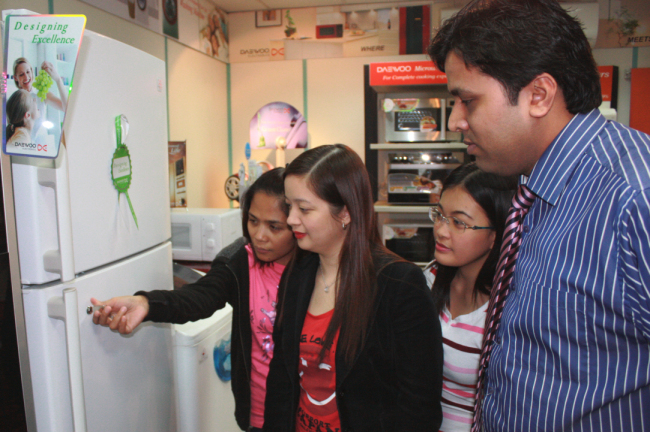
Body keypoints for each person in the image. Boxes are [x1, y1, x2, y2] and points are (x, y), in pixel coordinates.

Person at [428, 0, 650, 430]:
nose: (456, 120)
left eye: (467, 101)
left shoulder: (633, 196)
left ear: (539, 95)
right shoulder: (536, 191)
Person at [92, 167, 296, 432]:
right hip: (258, 417)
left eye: (274, 226)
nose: (259, 235)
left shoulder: (315, 268)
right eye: (253, 220)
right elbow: (200, 296)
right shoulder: (240, 262)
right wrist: (146, 303)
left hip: (305, 417)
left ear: (297, 224)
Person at [264, 144, 443, 432]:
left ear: (345, 212)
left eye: (304, 209)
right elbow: (282, 378)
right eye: (289, 205)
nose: (290, 219)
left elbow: (419, 408)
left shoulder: (398, 285)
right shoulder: (299, 273)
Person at [423, 163, 516, 431]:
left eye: (459, 222)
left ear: (496, 236)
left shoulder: (508, 306)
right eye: (439, 215)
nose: (441, 230)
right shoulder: (429, 278)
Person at [13, 57, 67, 140]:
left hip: (41, 146)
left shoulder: (41, 94)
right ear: (16, 78)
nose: (26, 77)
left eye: (28, 72)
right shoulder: (15, 100)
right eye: (21, 74)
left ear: (32, 72)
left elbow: (66, 108)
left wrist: (58, 80)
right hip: (22, 145)